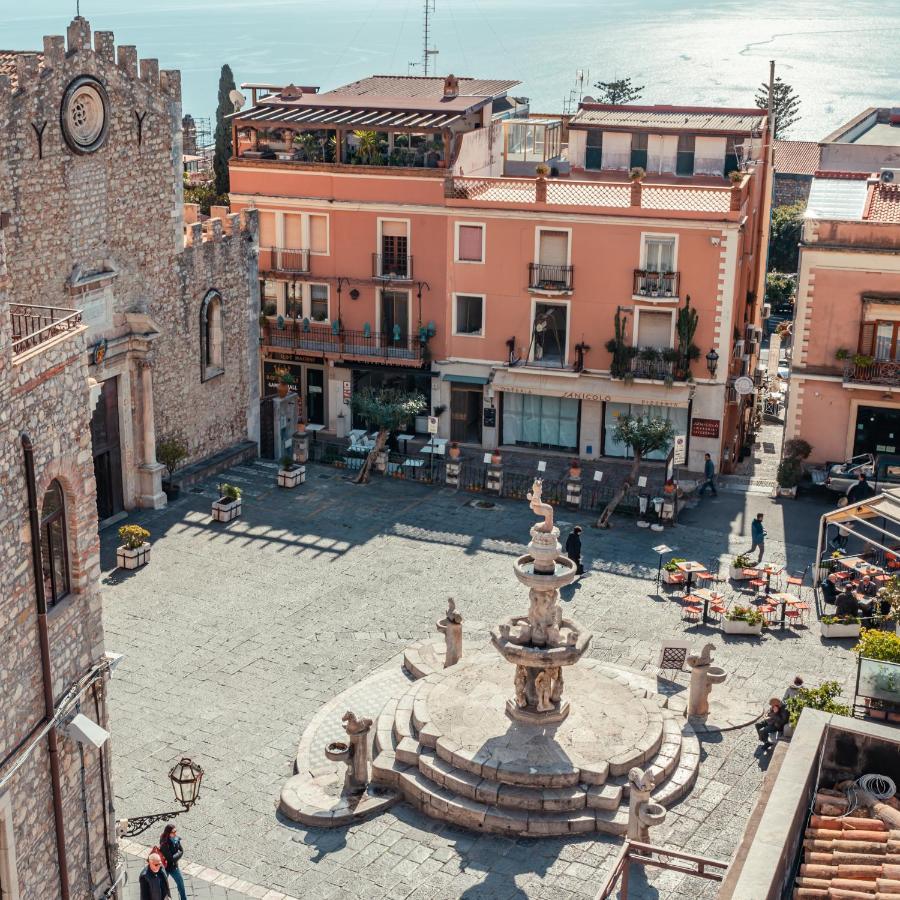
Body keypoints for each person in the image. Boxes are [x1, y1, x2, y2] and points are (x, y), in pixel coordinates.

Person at [159, 824, 186, 900]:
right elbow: (171, 858)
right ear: (168, 833)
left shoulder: (175, 838)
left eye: (175, 831)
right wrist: (179, 853)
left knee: (181, 884)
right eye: (173, 832)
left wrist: (179, 853)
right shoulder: (164, 843)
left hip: (174, 866)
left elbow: (181, 850)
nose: (175, 833)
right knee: (162, 886)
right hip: (166, 867)